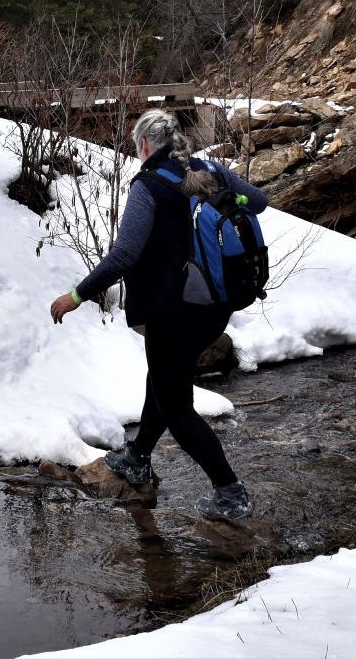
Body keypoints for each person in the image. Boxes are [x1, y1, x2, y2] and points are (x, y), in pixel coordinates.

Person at [49, 108, 268, 523]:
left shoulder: (149, 186)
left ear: (145, 144)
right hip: (215, 308)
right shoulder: (208, 169)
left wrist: (77, 295)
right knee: (164, 379)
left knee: (177, 407)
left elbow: (124, 255)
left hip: (173, 312)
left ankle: (230, 492)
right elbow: (258, 201)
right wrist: (228, 197)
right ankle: (138, 457)